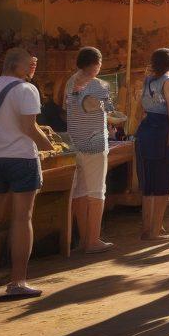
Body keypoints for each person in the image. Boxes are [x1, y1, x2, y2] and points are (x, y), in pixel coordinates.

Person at [0, 48, 52, 298]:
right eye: (30, 64)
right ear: (18, 65)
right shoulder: (26, 90)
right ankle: (17, 281)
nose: (32, 68)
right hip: (21, 158)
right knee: (21, 219)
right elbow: (29, 127)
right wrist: (47, 144)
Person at [65, 46, 115, 253]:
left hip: (75, 141)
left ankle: (85, 238)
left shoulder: (70, 81)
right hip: (94, 142)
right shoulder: (97, 84)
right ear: (96, 64)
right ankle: (92, 239)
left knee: (79, 191)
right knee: (96, 191)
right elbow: (109, 109)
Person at [134, 47, 169, 240]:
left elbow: (140, 110)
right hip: (162, 130)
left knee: (148, 183)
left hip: (146, 130)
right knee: (162, 182)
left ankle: (148, 228)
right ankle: (155, 230)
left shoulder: (147, 81)